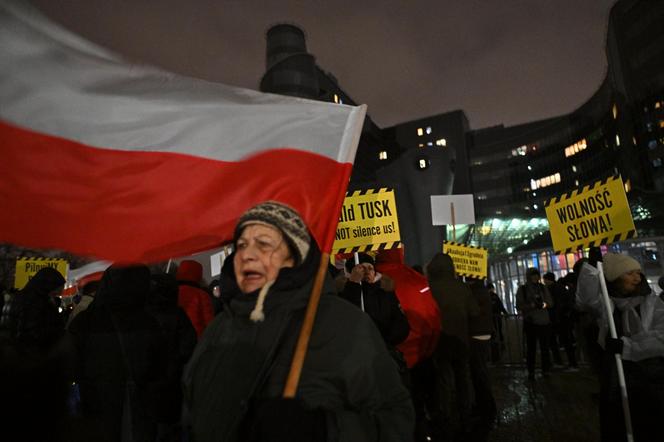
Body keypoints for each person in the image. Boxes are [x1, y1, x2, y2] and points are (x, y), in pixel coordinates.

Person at [182, 201, 414, 442]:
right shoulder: (222, 328)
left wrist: (323, 429)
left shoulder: (343, 324)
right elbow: (191, 412)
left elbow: (394, 418)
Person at [67, 265, 170, 442]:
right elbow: (160, 367)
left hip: (95, 405)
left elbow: (70, 362)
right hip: (138, 407)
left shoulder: (86, 320)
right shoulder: (148, 321)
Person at [577, 253, 664, 441]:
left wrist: (627, 347)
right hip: (616, 380)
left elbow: (661, 338)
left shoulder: (653, 303)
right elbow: (586, 300)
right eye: (629, 273)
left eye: (638, 273)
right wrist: (592, 269)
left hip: (652, 381)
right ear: (614, 278)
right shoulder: (607, 306)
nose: (637, 278)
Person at [426, 252, 479, 440]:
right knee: (463, 379)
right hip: (461, 341)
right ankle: (465, 417)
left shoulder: (428, 288)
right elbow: (474, 312)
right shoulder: (461, 287)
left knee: (444, 380)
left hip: (439, 342)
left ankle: (446, 418)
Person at [339, 253, 410, 357]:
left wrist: (383, 343)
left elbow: (401, 324)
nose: (367, 272)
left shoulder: (385, 292)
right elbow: (346, 319)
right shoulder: (343, 294)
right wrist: (353, 285)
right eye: (361, 269)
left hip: (384, 352)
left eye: (370, 268)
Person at [466, 278, 497, 439]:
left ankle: (487, 407)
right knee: (480, 372)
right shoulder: (481, 290)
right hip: (483, 333)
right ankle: (486, 406)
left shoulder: (474, 292)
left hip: (477, 334)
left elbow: (473, 311)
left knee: (479, 373)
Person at [516, 268, 554, 380]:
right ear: (528, 276)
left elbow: (551, 303)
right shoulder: (522, 289)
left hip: (544, 321)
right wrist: (531, 306)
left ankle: (545, 370)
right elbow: (519, 305)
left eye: (536, 275)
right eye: (533, 275)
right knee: (531, 348)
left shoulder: (542, 287)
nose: (535, 277)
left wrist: (543, 305)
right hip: (531, 322)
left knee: (545, 348)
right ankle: (531, 371)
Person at [543, 272, 578, 370]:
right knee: (566, 341)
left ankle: (563, 362)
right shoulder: (560, 288)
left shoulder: (551, 289)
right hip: (562, 318)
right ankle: (571, 363)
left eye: (545, 280)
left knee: (555, 341)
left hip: (556, 318)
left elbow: (555, 304)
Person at [176, 260, 215, 338]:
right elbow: (210, 324)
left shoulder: (172, 292)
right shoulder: (202, 295)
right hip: (198, 340)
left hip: (177, 340)